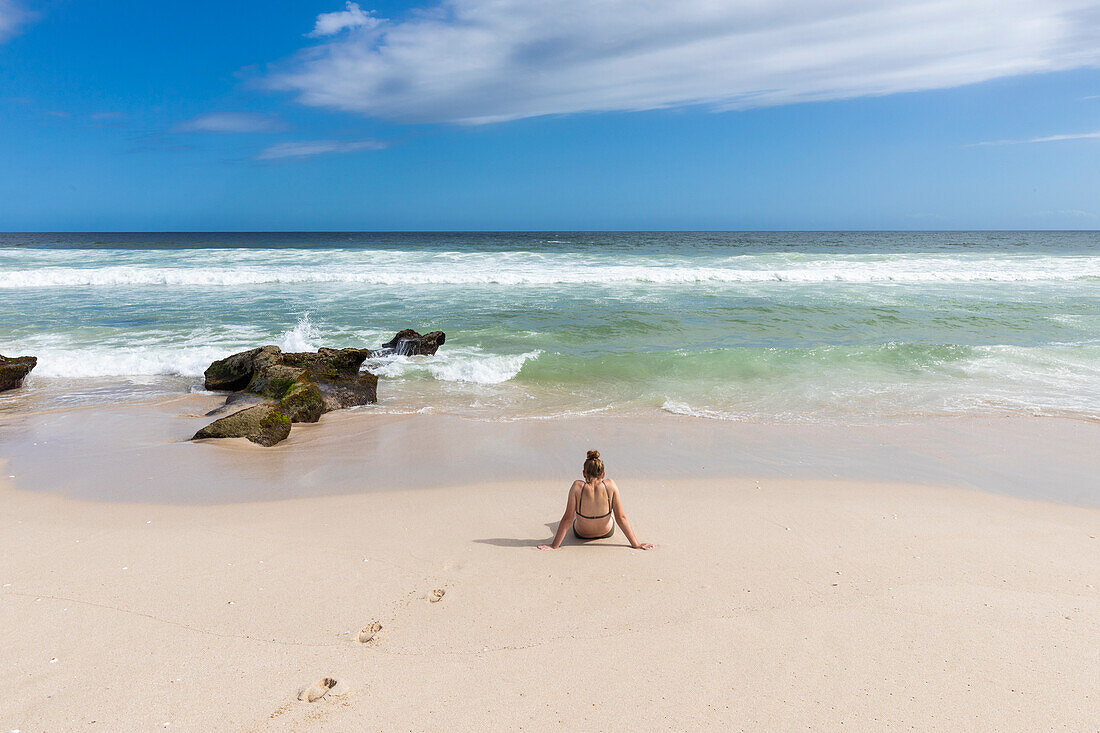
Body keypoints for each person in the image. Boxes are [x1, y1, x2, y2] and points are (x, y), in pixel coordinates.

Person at [538, 450, 653, 550]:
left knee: (574, 515)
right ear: (603, 474)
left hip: (582, 534)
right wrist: (636, 544)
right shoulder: (611, 485)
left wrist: (554, 546)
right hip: (606, 532)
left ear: (583, 473)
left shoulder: (577, 487)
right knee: (612, 515)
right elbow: (621, 518)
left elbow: (567, 519)